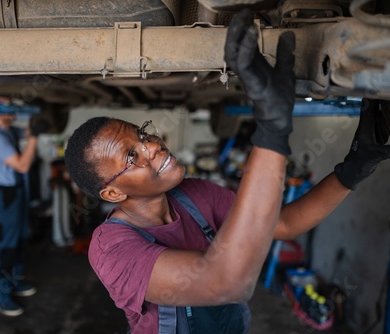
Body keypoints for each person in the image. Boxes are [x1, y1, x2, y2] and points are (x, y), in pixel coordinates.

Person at [64, 9, 390, 334]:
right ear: (113, 193)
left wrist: (354, 167)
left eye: (143, 134)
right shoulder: (110, 247)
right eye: (132, 156)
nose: (152, 146)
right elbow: (223, 283)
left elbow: (284, 224)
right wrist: (271, 132)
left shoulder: (195, 195)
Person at [0, 105, 48, 317]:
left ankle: (13, 283)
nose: (11, 111)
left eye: (11, 106)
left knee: (18, 240)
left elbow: (26, 131)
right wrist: (35, 137)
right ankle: (0, 297)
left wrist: (38, 122)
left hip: (14, 195)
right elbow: (22, 166)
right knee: (4, 246)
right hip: (2, 198)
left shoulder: (7, 130)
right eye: (4, 107)